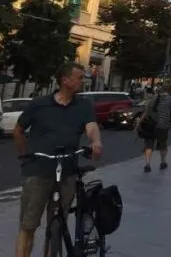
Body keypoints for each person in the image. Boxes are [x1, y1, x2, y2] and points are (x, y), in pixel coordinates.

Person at [12, 62, 103, 257]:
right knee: (28, 225)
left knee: (56, 227)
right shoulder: (39, 104)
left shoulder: (83, 105)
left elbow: (91, 126)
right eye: (79, 78)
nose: (83, 81)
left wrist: (96, 142)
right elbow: (18, 130)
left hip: (67, 173)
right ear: (65, 80)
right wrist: (24, 156)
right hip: (37, 172)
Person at [136, 83, 171, 172]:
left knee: (149, 144)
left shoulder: (152, 100)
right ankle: (163, 162)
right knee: (163, 145)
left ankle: (147, 164)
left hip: (151, 124)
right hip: (162, 125)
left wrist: (139, 122)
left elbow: (146, 111)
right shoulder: (169, 99)